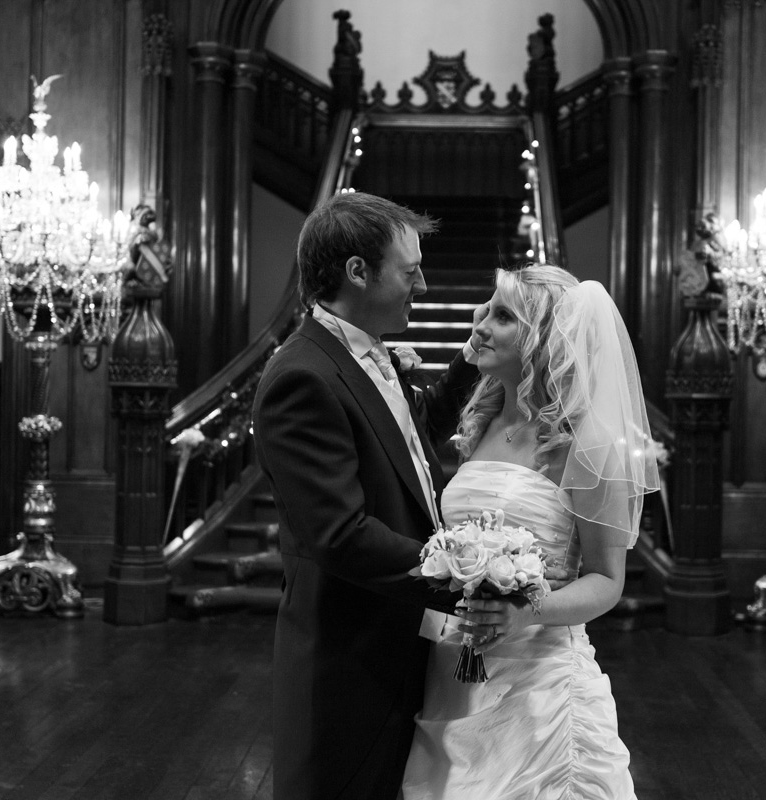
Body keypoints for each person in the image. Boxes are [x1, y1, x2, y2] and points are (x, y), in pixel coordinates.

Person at [252, 191, 481, 800]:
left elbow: (405, 445)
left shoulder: (363, 354)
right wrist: (463, 576)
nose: (424, 286)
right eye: (410, 272)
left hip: (400, 638)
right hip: (348, 660)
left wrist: (468, 363)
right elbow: (340, 534)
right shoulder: (302, 376)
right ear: (358, 271)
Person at [402, 264, 661, 800]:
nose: (479, 324)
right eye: (485, 309)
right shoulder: (483, 421)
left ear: (543, 338)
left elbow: (607, 582)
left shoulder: (585, 443)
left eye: (502, 316)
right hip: (453, 668)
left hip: (540, 687)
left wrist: (525, 609)